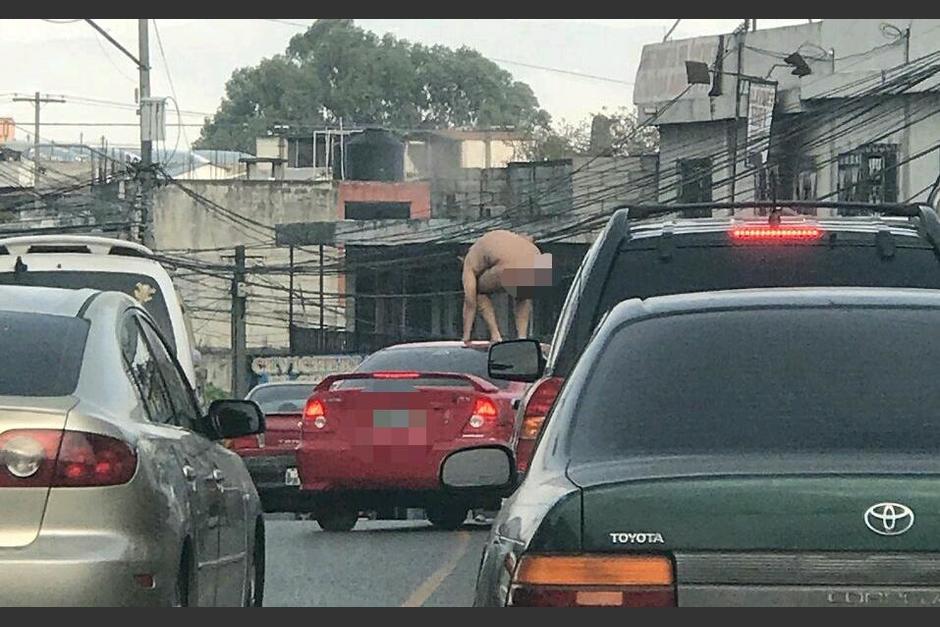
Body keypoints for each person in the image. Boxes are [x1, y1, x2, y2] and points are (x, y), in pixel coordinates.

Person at [461, 230, 552, 345]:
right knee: (523, 294)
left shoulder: (469, 260)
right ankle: (522, 337)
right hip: (542, 265)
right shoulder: (508, 237)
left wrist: (466, 336)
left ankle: (495, 335)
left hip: (512, 265)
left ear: (461, 259)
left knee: (478, 292)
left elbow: (470, 302)